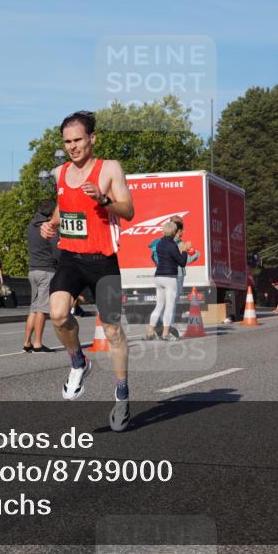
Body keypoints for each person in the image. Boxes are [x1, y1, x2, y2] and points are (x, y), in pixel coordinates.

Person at [40, 111, 135, 432]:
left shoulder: (109, 169)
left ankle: (122, 394)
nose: (73, 146)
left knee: (112, 332)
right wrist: (52, 224)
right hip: (71, 257)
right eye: (67, 142)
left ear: (92, 138)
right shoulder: (61, 172)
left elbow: (129, 211)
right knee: (57, 314)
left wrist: (104, 199)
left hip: (103, 260)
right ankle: (79, 362)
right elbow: (64, 204)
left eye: (78, 139)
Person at [24, 200, 59, 353]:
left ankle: (27, 343)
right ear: (52, 213)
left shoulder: (31, 226)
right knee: (42, 310)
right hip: (46, 270)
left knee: (34, 308)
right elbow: (57, 252)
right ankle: (38, 343)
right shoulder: (50, 228)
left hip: (33, 270)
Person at [145, 220, 187, 341]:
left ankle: (150, 331)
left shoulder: (159, 244)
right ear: (174, 232)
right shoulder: (172, 245)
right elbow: (181, 262)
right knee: (169, 306)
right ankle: (165, 334)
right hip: (169, 277)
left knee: (159, 306)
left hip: (158, 276)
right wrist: (184, 250)